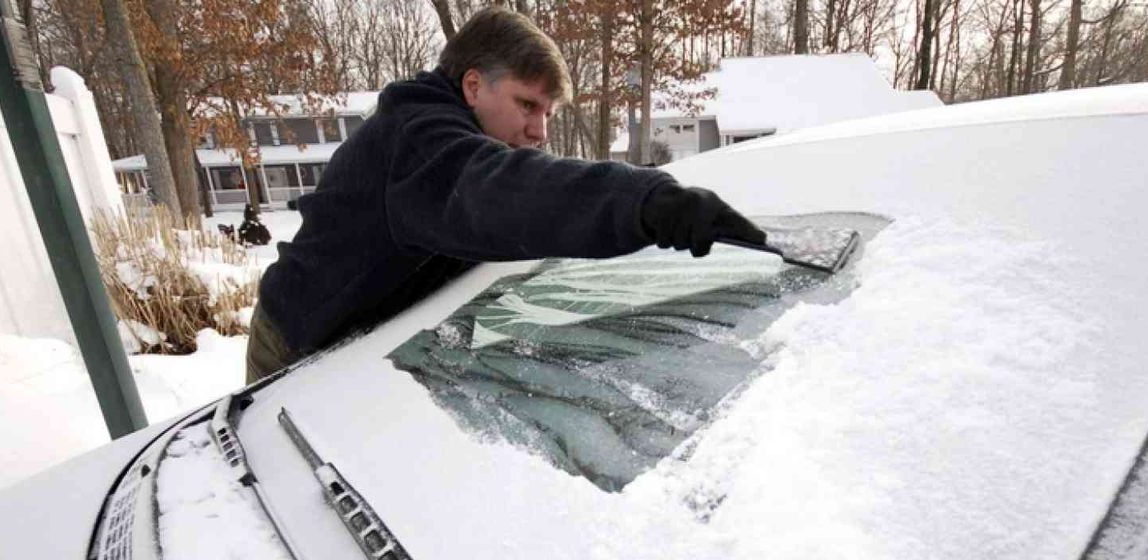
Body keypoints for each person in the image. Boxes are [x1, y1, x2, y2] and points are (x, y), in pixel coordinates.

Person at [245, 6, 765, 383]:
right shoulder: (420, 142)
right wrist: (646, 203)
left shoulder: (436, 135)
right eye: (527, 105)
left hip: (359, 338)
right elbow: (505, 192)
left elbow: (519, 209)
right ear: (474, 86)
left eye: (547, 114)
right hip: (297, 346)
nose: (539, 131)